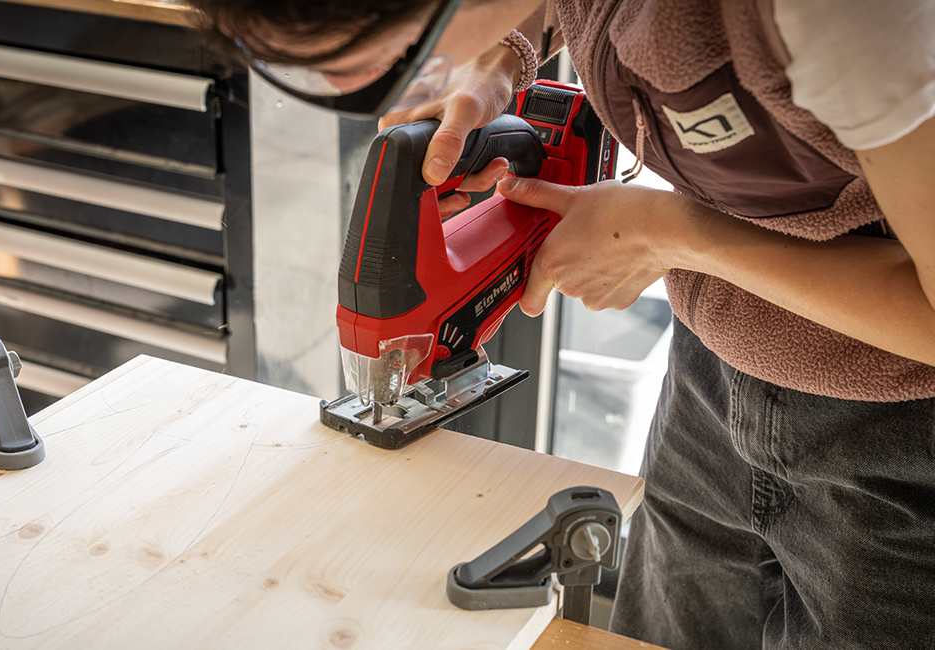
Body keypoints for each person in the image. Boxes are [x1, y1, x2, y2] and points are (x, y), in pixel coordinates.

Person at [189, 1, 935, 648]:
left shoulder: (853, 16)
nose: (415, 77)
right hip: (709, 372)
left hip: (900, 438)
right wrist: (489, 63)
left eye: (411, 53)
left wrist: (673, 234)